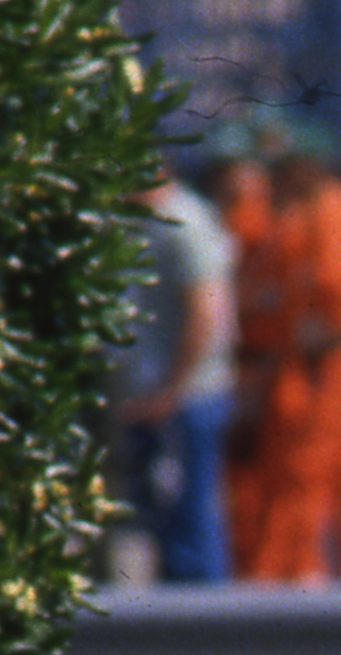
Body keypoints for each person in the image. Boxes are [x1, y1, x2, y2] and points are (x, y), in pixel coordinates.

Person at [235, 120, 341, 583]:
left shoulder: (334, 212)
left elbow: (330, 287)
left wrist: (285, 307)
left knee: (312, 461)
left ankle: (300, 567)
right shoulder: (313, 211)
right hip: (331, 355)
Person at [112, 165, 238, 584]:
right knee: (162, 512)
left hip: (188, 396)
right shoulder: (139, 222)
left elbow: (206, 316)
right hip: (153, 397)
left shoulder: (185, 224)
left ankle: (206, 630)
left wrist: (173, 390)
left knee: (192, 510)